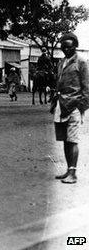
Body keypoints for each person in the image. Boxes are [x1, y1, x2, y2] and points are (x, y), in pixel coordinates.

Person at [50, 33, 89, 184]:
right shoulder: (61, 62)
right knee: (65, 140)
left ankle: (73, 174)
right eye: (63, 47)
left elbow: (87, 89)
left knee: (72, 140)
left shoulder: (81, 62)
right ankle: (68, 170)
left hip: (74, 106)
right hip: (61, 105)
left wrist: (81, 107)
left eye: (69, 46)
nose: (66, 49)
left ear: (75, 46)